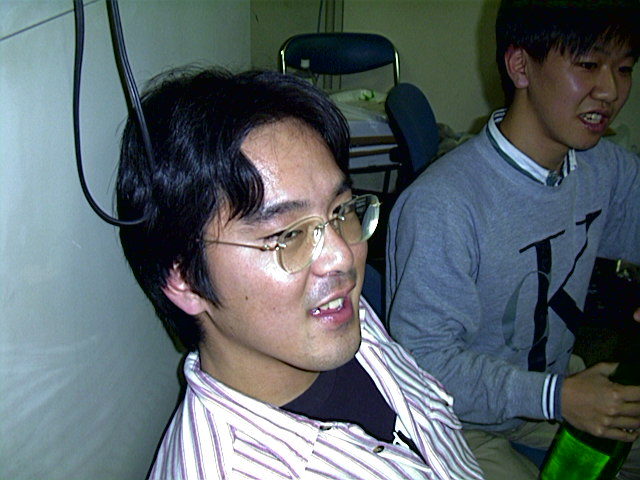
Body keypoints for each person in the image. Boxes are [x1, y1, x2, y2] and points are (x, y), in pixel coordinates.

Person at [115, 67, 483, 479]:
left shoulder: (336, 315)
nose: (342, 256)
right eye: (288, 235)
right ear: (185, 279)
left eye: (340, 210)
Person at [385, 0, 640, 478]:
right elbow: (425, 369)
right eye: (588, 65)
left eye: (624, 69)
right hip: (457, 418)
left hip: (554, 388)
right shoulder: (442, 204)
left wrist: (557, 394)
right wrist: (555, 397)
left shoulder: (601, 168)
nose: (610, 91)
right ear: (521, 66)